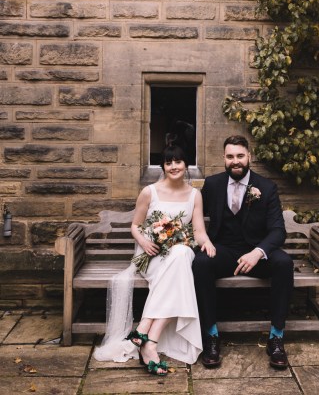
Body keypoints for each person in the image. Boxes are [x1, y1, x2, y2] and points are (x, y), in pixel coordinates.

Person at [94, 143, 215, 374]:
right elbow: (135, 225)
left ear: (185, 165)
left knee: (181, 255)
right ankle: (150, 341)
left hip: (179, 250)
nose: (173, 166)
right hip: (151, 253)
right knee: (178, 273)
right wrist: (144, 242)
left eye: (177, 161)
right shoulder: (150, 191)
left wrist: (206, 242)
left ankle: (147, 334)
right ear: (163, 166)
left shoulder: (195, 195)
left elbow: (198, 231)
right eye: (168, 162)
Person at [192, 135, 294, 370]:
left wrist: (258, 252)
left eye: (240, 156)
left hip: (254, 253)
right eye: (230, 157)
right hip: (223, 250)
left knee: (284, 263)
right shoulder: (213, 184)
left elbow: (278, 231)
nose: (235, 161)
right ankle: (211, 336)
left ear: (249, 156)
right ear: (224, 158)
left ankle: (276, 337)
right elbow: (193, 212)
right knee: (200, 264)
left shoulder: (266, 188)